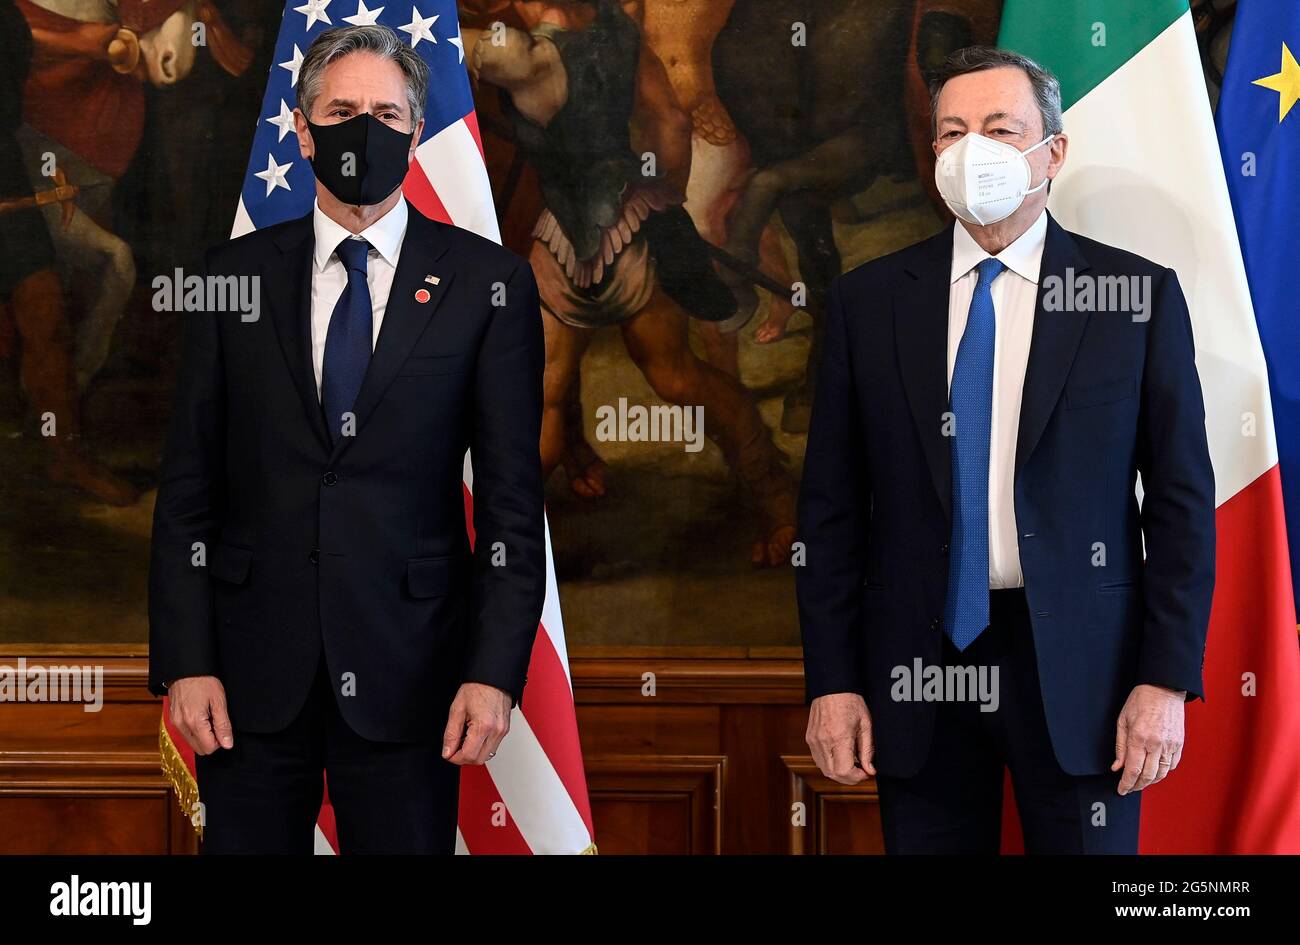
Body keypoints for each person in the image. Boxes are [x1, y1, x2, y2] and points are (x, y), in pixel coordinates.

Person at [797, 45, 1215, 854]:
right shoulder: (869, 302)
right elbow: (831, 511)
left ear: (1052, 152)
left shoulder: (1135, 297)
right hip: (919, 667)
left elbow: (1180, 507)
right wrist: (835, 680)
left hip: (1084, 675)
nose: (970, 151)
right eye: (951, 132)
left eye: (999, 127)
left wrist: (1164, 679)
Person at [147, 24, 546, 854]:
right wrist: (186, 660)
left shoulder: (489, 285)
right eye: (342, 109)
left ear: (414, 131)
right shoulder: (230, 278)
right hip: (248, 681)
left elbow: (512, 504)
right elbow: (189, 490)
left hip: (416, 676)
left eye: (387, 113)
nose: (365, 128)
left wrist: (493, 672)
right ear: (302, 129)